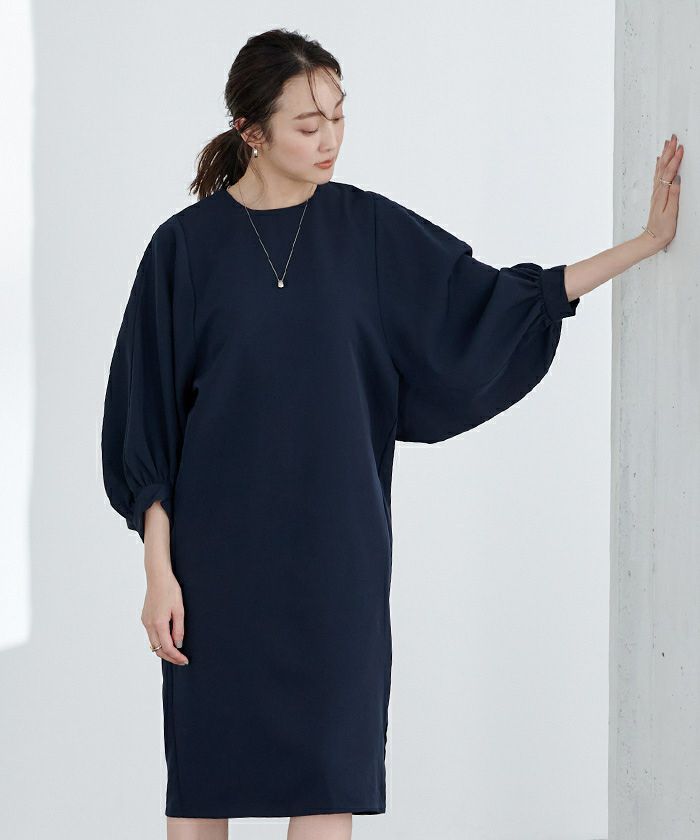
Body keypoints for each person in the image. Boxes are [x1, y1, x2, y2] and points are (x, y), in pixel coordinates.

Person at [100, 26, 682, 840]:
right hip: (218, 570)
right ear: (250, 132)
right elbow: (147, 425)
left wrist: (643, 245)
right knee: (203, 782)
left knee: (329, 778)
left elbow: (490, 305)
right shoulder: (183, 250)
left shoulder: (368, 230)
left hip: (337, 566)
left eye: (339, 117)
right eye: (308, 124)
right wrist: (159, 574)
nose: (330, 139)